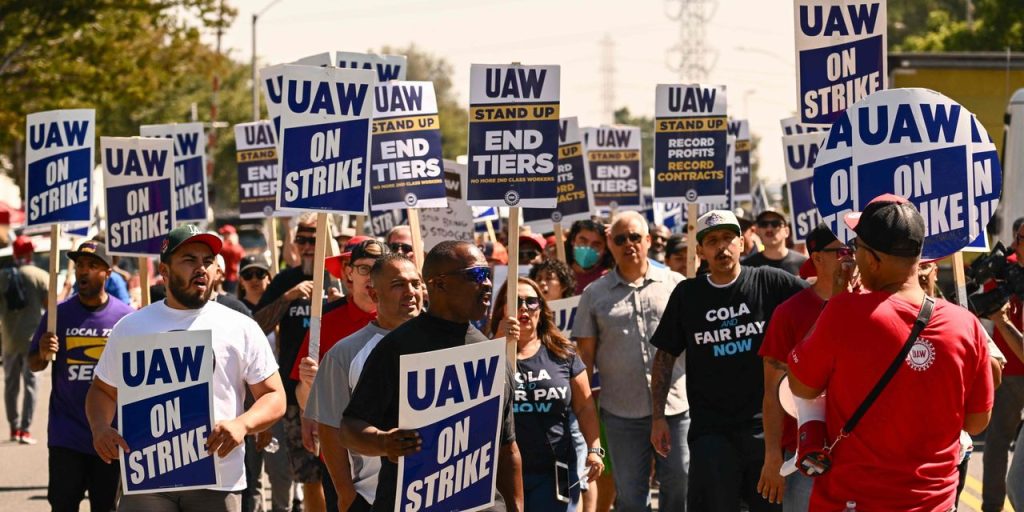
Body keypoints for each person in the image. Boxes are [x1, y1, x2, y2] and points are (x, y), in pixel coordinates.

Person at [787, 194, 993, 510]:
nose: (852, 255)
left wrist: (835, 304)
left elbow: (801, 385)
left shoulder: (845, 313)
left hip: (855, 500)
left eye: (856, 247)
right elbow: (977, 422)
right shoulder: (965, 323)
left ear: (872, 260)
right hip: (935, 503)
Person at [85, 224, 287, 511]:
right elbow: (102, 391)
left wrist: (243, 424)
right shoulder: (130, 328)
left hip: (217, 480)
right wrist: (100, 427)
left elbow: (274, 396)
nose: (201, 268)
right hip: (148, 481)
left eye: (207, 261)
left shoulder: (240, 326)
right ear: (164, 272)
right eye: (189, 260)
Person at [340, 241, 524, 511]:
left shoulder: (490, 354)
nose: (486, 284)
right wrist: (383, 442)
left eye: (487, 275)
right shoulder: (397, 348)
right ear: (438, 284)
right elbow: (349, 428)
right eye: (475, 275)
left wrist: (516, 507)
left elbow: (506, 447)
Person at [650, 210, 807, 511]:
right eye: (711, 241)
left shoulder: (770, 282)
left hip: (766, 431)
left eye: (727, 238)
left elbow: (818, 306)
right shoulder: (688, 294)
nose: (721, 247)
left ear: (743, 243)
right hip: (711, 431)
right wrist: (658, 418)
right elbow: (665, 356)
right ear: (700, 251)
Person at [574, 211, 688, 512]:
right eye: (620, 238)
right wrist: (581, 410)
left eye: (635, 237)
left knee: (680, 485)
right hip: (621, 413)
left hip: (675, 409)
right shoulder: (593, 295)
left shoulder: (676, 284)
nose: (629, 244)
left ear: (648, 241)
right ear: (610, 243)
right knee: (631, 499)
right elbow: (583, 358)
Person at [304, 253, 424, 511]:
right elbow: (329, 427)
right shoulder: (344, 353)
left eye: (416, 283)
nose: (411, 292)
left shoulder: (447, 344)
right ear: (374, 294)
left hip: (439, 493)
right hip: (372, 498)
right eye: (398, 285)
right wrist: (346, 494)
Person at [27, 241, 134, 512]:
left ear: (108, 273)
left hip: (110, 437)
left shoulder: (126, 319)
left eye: (92, 266)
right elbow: (33, 365)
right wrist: (41, 352)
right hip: (66, 436)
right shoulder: (58, 315)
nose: (83, 272)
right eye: (80, 266)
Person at [756, 224, 853, 510]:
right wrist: (773, 455)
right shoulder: (788, 313)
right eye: (843, 251)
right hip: (803, 454)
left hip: (859, 452)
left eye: (855, 250)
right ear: (818, 258)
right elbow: (772, 392)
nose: (851, 258)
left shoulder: (871, 305)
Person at [492, 277, 604, 510]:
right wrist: (497, 343)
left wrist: (594, 450)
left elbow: (584, 407)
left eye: (531, 302)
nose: (523, 307)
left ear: (541, 310)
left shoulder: (563, 353)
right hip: (502, 472)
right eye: (515, 301)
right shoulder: (485, 352)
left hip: (556, 469)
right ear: (501, 308)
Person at [293, 239, 383, 512]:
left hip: (390, 452)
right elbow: (303, 398)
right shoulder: (326, 323)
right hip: (341, 456)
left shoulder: (405, 320)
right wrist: (312, 385)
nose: (371, 277)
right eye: (364, 269)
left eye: (378, 269)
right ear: (348, 274)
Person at [254, 213, 328, 511]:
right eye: (302, 239)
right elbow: (256, 325)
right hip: (296, 393)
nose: (308, 246)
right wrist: (288, 297)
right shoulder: (287, 279)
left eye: (314, 239)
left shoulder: (337, 275)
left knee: (342, 472)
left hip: (337, 391)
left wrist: (335, 300)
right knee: (309, 473)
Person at [984, 217, 1024, 511]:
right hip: (1008, 372)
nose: (1014, 244)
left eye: (1020, 239)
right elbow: (985, 303)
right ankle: (992, 507)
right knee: (997, 444)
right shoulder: (1002, 269)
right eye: (1017, 237)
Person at [1, 234, 48, 444]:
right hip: (32, 340)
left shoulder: (2, 276)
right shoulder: (39, 275)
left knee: (11, 385)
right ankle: (25, 430)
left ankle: (13, 427)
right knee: (31, 384)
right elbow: (50, 307)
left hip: (9, 339)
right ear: (30, 253)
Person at [742, 210, 806, 275]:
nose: (769, 229)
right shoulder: (747, 267)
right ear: (758, 231)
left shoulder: (803, 263)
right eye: (764, 224)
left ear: (787, 231)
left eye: (776, 224)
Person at [567, 220, 614, 294]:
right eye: (583, 241)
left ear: (605, 248)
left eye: (596, 244)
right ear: (573, 240)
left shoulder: (611, 279)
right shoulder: (557, 278)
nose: (588, 248)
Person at [219, 224, 246, 295]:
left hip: (226, 277)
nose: (223, 236)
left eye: (224, 234)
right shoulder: (237, 247)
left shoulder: (224, 247)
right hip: (232, 277)